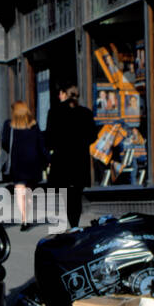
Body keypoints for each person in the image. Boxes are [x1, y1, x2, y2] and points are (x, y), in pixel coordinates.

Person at [45, 84, 97, 229]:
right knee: (76, 193)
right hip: (79, 158)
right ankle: (75, 222)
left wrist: (53, 148)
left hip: (62, 159)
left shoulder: (54, 112)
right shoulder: (85, 113)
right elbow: (93, 135)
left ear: (65, 94)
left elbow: (49, 138)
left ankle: (71, 222)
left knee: (65, 193)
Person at [1, 100, 50, 231]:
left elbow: (5, 143)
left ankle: (24, 218)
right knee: (28, 191)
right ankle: (26, 214)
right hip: (33, 162)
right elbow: (41, 144)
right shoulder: (33, 125)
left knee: (19, 190)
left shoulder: (9, 126)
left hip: (17, 161)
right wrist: (47, 159)